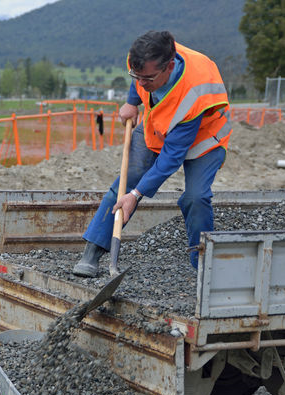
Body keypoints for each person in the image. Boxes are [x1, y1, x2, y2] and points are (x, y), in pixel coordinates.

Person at [73, 30, 230, 276]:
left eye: (147, 78)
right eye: (136, 76)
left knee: (195, 197)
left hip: (204, 137)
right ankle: (92, 251)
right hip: (158, 125)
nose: (141, 82)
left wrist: (136, 195)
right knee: (126, 182)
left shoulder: (194, 91)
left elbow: (170, 158)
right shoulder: (143, 59)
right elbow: (139, 79)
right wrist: (131, 101)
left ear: (169, 66)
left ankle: (202, 268)